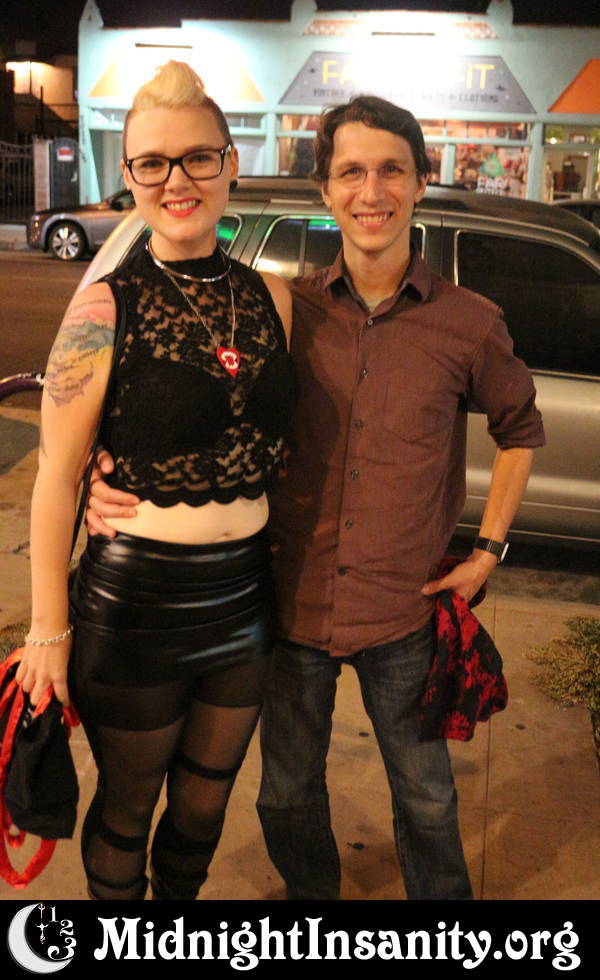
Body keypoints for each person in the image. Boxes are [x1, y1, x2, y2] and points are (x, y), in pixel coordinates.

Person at [87, 95, 545, 901]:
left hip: (403, 610)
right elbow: (175, 387)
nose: (372, 191)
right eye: (351, 172)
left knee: (428, 799)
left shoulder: (470, 324)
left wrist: (488, 550)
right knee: (284, 796)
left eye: (391, 170)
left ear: (421, 181)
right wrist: (106, 466)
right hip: (290, 602)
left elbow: (520, 431)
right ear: (325, 190)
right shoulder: (283, 308)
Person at [16, 60, 294, 902]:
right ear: (130, 175)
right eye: (152, 163)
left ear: (230, 163)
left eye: (198, 157)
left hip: (244, 597)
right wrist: (47, 629)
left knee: (204, 811)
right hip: (136, 607)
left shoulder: (273, 299)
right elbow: (56, 475)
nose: (178, 181)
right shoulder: (104, 306)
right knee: (128, 809)